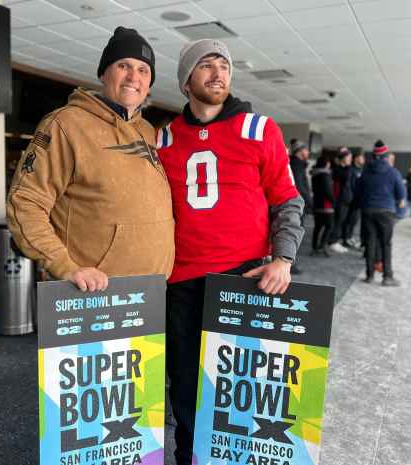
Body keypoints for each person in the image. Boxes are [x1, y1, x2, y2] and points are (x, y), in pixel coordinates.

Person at [156, 39, 304, 465]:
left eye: (224, 65)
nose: (218, 72)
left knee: (241, 383)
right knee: (184, 381)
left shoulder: (260, 128)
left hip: (243, 276)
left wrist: (284, 258)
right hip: (181, 279)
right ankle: (188, 455)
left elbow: (287, 199)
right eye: (206, 65)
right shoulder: (163, 136)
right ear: (186, 81)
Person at [6, 27, 175, 290]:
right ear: (103, 72)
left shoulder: (145, 131)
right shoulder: (65, 124)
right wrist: (65, 266)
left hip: (148, 294)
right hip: (94, 293)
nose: (134, 77)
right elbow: (25, 204)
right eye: (123, 65)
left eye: (143, 70)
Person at [354, 140, 406, 286]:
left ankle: (369, 275)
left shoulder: (365, 171)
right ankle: (387, 277)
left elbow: (357, 191)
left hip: (368, 211)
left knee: (370, 243)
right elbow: (401, 194)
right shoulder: (393, 172)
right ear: (385, 155)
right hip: (386, 211)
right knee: (386, 244)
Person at [288, 139, 312, 274]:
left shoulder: (299, 165)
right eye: (306, 149)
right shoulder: (296, 166)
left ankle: (289, 262)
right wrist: (309, 201)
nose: (308, 152)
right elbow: (299, 187)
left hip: (298, 204)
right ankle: (289, 264)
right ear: (300, 151)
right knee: (293, 234)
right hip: (297, 205)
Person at [327, 147, 353, 253]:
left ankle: (335, 240)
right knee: (338, 221)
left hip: (345, 200)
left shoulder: (344, 168)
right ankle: (333, 242)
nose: (350, 159)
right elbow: (345, 178)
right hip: (339, 200)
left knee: (341, 221)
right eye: (349, 157)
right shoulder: (338, 169)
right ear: (343, 158)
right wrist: (346, 166)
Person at [310, 156, 335, 256]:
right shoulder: (325, 175)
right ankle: (322, 245)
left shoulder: (314, 174)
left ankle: (314, 247)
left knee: (318, 226)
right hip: (326, 205)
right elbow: (328, 190)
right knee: (329, 226)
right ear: (326, 164)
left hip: (317, 203)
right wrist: (333, 201)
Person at [342, 151, 365, 248]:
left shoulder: (362, 170)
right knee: (349, 219)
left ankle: (350, 236)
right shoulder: (351, 170)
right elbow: (350, 185)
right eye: (361, 158)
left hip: (359, 199)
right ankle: (346, 238)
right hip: (352, 198)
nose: (363, 160)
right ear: (356, 159)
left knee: (354, 220)